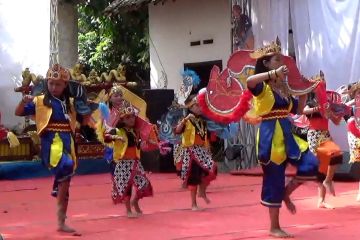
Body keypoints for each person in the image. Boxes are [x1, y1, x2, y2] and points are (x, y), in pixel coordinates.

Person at [246, 39, 319, 238]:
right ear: (267, 64)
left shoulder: (283, 90)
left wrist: (305, 88)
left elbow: (299, 109)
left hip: (287, 135)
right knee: (274, 180)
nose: (281, 62)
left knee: (311, 164)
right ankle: (274, 227)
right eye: (277, 59)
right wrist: (273, 75)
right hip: (270, 137)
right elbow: (249, 82)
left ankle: (287, 193)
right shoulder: (263, 89)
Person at [15, 64, 91, 235]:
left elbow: (84, 121)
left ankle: (61, 220)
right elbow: (18, 112)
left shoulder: (71, 103)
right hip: (52, 141)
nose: (54, 87)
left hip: (68, 142)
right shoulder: (40, 101)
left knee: (67, 179)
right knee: (66, 167)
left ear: (65, 85)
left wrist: (87, 113)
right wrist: (23, 101)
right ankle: (59, 214)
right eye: (51, 83)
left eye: (57, 84)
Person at [97, 86, 156, 218]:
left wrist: (149, 143)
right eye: (115, 95)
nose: (118, 97)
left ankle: (135, 202)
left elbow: (139, 143)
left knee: (144, 184)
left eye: (120, 95)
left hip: (135, 161)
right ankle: (128, 209)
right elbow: (106, 135)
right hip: (120, 158)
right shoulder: (111, 117)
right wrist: (114, 137)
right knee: (125, 186)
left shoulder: (134, 130)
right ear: (110, 98)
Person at [174, 94, 217, 211]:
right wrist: (183, 122)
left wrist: (207, 148)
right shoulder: (186, 120)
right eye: (197, 106)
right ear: (191, 107)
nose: (200, 108)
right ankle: (193, 203)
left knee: (212, 168)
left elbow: (205, 138)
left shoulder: (202, 121)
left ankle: (202, 191)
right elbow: (177, 131)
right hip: (190, 151)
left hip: (202, 151)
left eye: (201, 106)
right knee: (193, 176)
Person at [303, 91, 343, 209]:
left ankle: (328, 181)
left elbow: (336, 122)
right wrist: (318, 108)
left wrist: (336, 114)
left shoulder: (327, 104)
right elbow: (304, 111)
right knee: (321, 167)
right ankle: (321, 200)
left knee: (337, 155)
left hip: (325, 134)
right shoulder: (310, 103)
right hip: (314, 135)